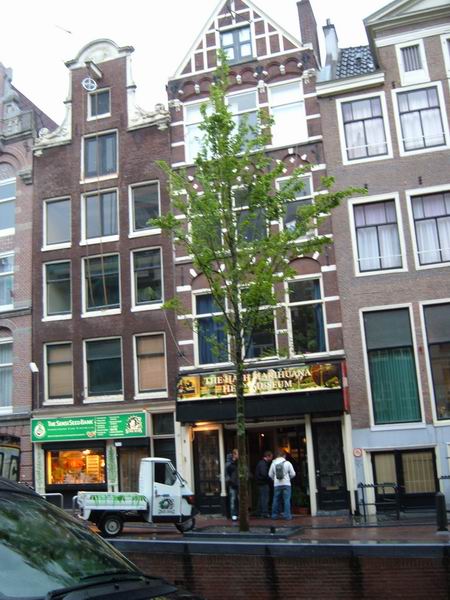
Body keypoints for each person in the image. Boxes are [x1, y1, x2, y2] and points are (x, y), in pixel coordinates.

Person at [269, 449, 296, 520]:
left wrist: (274, 479)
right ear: (284, 455)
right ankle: (287, 516)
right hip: (286, 484)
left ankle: (274, 515)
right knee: (286, 500)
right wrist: (288, 478)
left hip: (277, 484)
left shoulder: (273, 463)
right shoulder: (287, 463)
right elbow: (293, 474)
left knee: (276, 500)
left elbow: (270, 474)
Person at [254, 450, 273, 518]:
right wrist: (270, 479)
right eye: (271, 457)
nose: (271, 459)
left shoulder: (261, 463)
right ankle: (264, 512)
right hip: (263, 483)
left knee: (261, 498)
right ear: (267, 456)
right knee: (265, 498)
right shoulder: (263, 464)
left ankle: (259, 511)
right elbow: (264, 474)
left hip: (260, 483)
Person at [225, 448, 239, 521]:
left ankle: (237, 514)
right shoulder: (229, 464)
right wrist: (230, 482)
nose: (239, 455)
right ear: (234, 454)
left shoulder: (237, 463)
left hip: (238, 484)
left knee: (237, 500)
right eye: (237, 454)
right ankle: (233, 514)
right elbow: (226, 474)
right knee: (233, 499)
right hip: (232, 484)